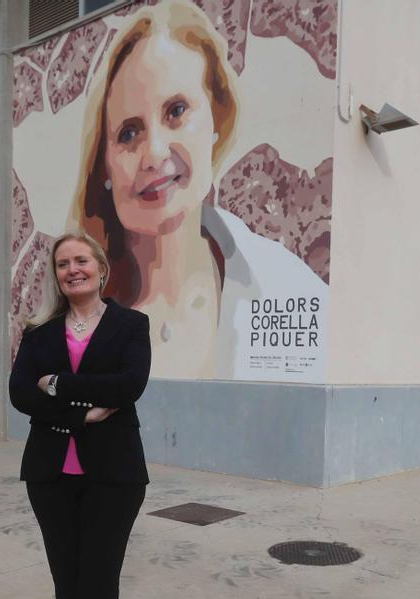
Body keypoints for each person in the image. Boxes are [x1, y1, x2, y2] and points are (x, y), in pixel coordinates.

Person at [69, 0, 327, 381]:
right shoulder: (76, 313)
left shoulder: (291, 286)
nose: (154, 153)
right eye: (128, 133)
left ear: (216, 122)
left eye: (175, 111)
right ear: (103, 166)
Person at [9, 232, 151, 599]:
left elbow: (128, 385)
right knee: (66, 581)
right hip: (50, 476)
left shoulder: (131, 325)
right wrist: (80, 416)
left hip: (113, 476)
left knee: (98, 581)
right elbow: (18, 394)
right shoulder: (39, 333)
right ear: (56, 275)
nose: (73, 270)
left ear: (101, 268)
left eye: (81, 261)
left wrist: (57, 384)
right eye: (63, 264)